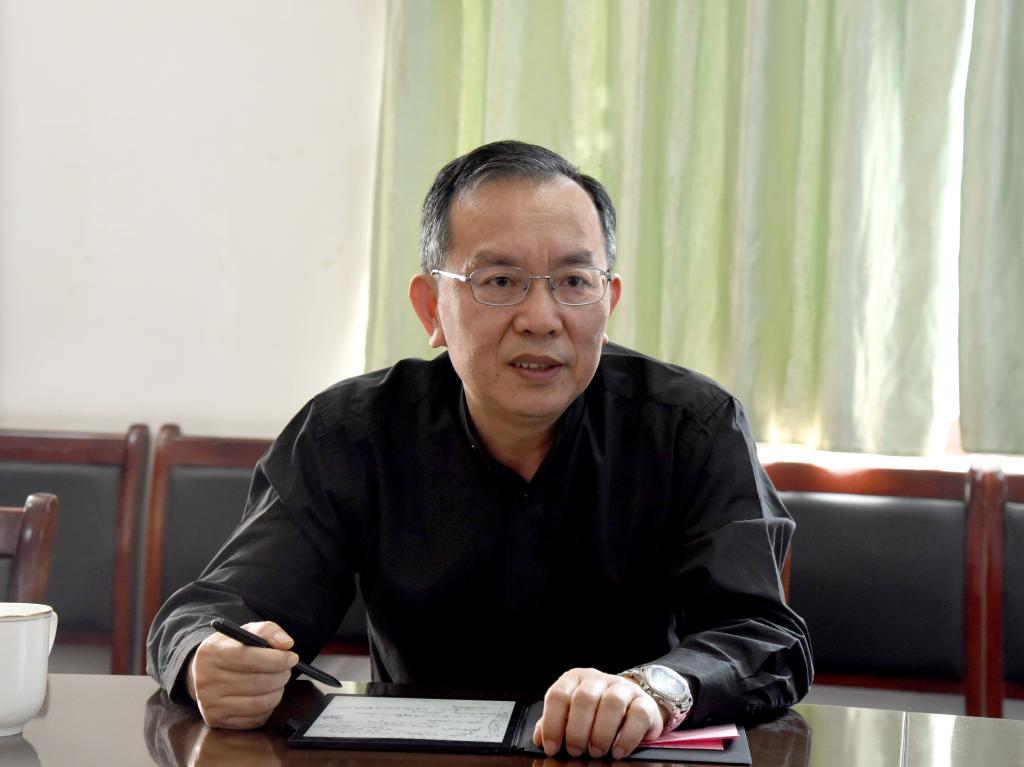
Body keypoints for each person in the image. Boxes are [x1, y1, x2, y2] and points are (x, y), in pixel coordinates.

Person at [147, 140, 812, 760]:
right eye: (499, 281)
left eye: (573, 281)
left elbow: (766, 637)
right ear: (431, 308)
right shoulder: (350, 433)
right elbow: (211, 613)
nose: (542, 318)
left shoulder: (691, 427)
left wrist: (656, 688)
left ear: (607, 301)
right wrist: (211, 659)